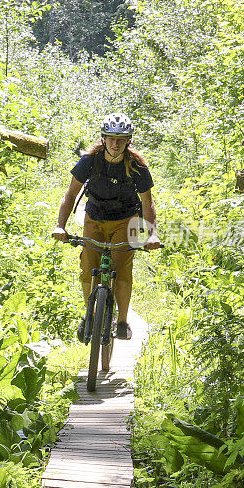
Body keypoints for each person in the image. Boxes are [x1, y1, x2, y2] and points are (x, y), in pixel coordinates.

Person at [52, 113, 161, 358]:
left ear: (128, 141)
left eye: (120, 139)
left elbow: (147, 202)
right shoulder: (90, 161)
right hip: (95, 217)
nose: (115, 144)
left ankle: (122, 322)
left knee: (122, 269)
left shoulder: (137, 165)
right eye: (111, 138)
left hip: (126, 219)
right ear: (103, 139)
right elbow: (70, 195)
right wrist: (61, 226)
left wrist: (151, 234)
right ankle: (89, 316)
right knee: (88, 265)